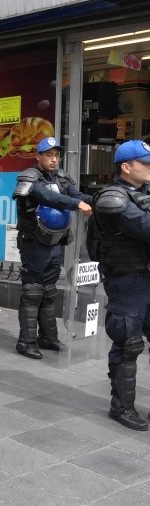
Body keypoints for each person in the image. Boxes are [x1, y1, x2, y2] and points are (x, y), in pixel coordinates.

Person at [87, 140, 150, 431]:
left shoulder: (143, 193)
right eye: (145, 163)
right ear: (127, 167)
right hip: (127, 280)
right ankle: (121, 407)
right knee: (128, 344)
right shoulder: (112, 198)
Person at [12, 137, 92, 359]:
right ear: (38, 156)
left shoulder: (63, 178)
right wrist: (76, 204)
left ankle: (47, 337)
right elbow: (47, 196)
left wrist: (99, 200)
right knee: (32, 292)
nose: (54, 159)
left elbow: (76, 195)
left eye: (56, 155)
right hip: (34, 243)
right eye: (49, 154)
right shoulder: (29, 177)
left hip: (56, 242)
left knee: (49, 291)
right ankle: (26, 342)